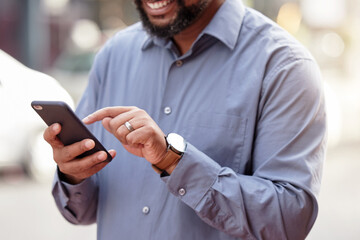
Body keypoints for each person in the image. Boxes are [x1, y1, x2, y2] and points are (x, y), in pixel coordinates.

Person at [45, 0, 327, 239]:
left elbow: (290, 219)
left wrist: (173, 160)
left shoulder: (284, 67)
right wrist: (73, 173)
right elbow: (82, 212)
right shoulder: (113, 55)